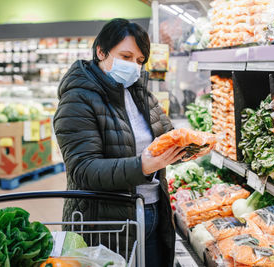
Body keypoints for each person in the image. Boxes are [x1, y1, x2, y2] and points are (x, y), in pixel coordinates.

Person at [53, 18, 185, 267]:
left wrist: (187, 146)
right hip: (106, 223)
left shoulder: (140, 93)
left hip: (153, 212)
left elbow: (167, 134)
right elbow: (83, 169)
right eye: (126, 56)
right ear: (101, 51)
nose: (133, 66)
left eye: (139, 61)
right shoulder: (78, 99)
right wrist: (142, 166)